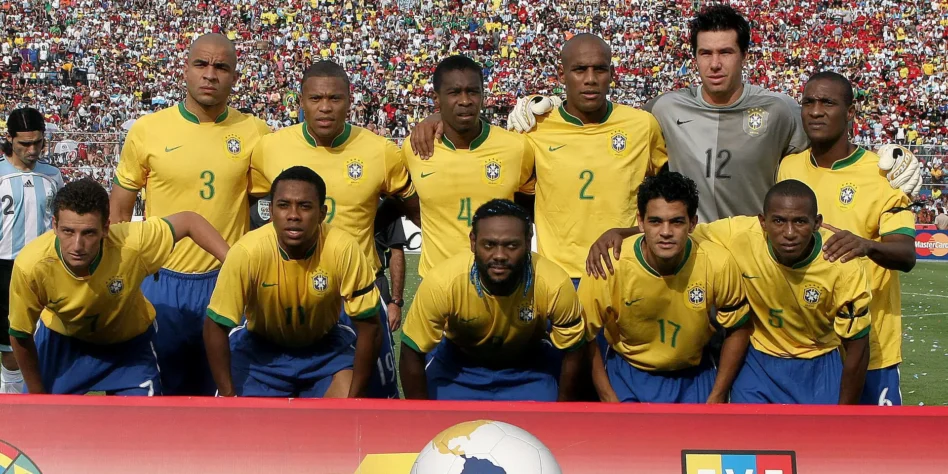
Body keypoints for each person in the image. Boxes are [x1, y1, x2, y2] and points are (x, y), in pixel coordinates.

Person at [504, 5, 921, 221]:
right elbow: (602, 122)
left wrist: (889, 162)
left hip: (757, 254)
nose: (715, 63)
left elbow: (828, 150)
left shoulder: (779, 111)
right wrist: (547, 109)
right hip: (690, 254)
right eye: (705, 53)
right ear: (694, 58)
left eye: (725, 52)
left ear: (744, 56)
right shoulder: (665, 109)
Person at [587, 180, 874, 404]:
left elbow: (858, 346)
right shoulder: (736, 234)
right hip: (758, 360)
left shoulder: (842, 261)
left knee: (818, 453)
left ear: (817, 223)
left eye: (800, 221)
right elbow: (672, 230)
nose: (788, 232)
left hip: (818, 360)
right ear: (762, 222)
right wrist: (619, 232)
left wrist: (844, 414)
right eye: (778, 221)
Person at [411, 37, 666, 286]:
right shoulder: (532, 131)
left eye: (599, 69)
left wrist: (632, 233)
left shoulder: (642, 125)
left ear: (612, 73)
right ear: (562, 73)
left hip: (626, 269)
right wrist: (436, 117)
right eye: (579, 70)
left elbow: (667, 198)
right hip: (557, 276)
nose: (590, 79)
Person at [109, 34, 271, 395]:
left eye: (221, 67)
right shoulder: (148, 129)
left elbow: (268, 208)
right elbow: (119, 210)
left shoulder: (255, 132)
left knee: (228, 390)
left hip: (225, 278)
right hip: (159, 280)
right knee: (159, 391)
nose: (210, 74)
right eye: (201, 64)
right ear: (185, 69)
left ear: (235, 77)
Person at [248, 61, 416, 398]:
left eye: (335, 98)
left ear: (350, 101)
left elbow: (412, 204)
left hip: (358, 293)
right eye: (316, 98)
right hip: (289, 291)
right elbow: (254, 211)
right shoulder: (270, 147)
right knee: (284, 396)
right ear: (301, 100)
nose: (325, 107)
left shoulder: (380, 151)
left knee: (373, 401)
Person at [8, 179, 229, 395]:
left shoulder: (132, 243)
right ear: (54, 225)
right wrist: (37, 395)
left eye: (89, 233)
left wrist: (235, 267)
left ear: (106, 228)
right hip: (63, 344)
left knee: (143, 427)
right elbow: (20, 334)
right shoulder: (31, 265)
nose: (77, 245)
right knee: (42, 425)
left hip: (128, 350)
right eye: (67, 231)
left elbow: (190, 221)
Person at [776, 72, 917, 405]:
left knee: (875, 454)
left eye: (828, 102)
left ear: (851, 112)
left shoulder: (883, 175)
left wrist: (866, 245)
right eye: (809, 102)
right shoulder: (788, 167)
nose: (816, 111)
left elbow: (906, 253)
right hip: (808, 347)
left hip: (872, 349)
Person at [204, 167, 382, 398]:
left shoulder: (344, 248)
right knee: (243, 429)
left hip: (325, 351)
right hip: (260, 354)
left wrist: (354, 399)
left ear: (322, 213)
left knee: (341, 422)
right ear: (270, 211)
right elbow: (215, 326)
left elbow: (370, 326)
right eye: (283, 205)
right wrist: (229, 397)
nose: (293, 215)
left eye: (305, 206)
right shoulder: (247, 252)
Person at [577, 172, 751, 403]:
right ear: (640, 222)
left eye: (676, 221)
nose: (666, 232)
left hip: (695, 374)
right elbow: (584, 337)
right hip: (627, 374)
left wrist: (718, 394)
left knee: (701, 440)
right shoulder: (609, 265)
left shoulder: (717, 262)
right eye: (656, 221)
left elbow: (738, 329)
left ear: (692, 223)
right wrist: (608, 397)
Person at [400, 199, 587, 401]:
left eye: (512, 245)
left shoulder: (554, 283)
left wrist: (562, 411)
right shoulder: (442, 282)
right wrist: (421, 416)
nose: (499, 255)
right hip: (457, 369)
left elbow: (574, 349)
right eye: (489, 244)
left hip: (529, 370)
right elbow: (411, 351)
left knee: (544, 428)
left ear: (528, 240)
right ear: (473, 242)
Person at [402, 55, 536, 279]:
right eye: (455, 93)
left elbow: (529, 204)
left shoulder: (517, 148)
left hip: (500, 283)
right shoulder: (415, 147)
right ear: (437, 100)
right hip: (437, 284)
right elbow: (399, 195)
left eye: (473, 91)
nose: (465, 101)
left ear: (483, 96)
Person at [0, 107, 64, 394]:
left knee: (48, 337)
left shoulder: (53, 175)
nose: (32, 149)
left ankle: (43, 398)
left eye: (38, 142)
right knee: (11, 342)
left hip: (46, 267)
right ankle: (11, 399)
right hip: (5, 267)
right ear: (9, 139)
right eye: (24, 143)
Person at [374, 198, 408, 331]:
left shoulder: (384, 206)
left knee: (378, 348)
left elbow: (397, 252)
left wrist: (396, 302)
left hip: (375, 285)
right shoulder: (330, 203)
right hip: (334, 286)